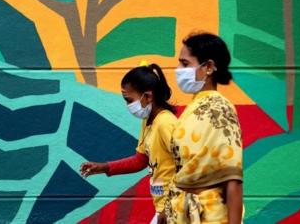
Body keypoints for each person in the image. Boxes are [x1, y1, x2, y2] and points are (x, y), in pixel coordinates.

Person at [80, 63, 178, 224]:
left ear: (148, 96)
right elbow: (140, 160)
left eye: (129, 100)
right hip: (163, 208)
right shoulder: (149, 122)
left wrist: (171, 208)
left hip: (173, 208)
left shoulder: (166, 123)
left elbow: (187, 165)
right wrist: (103, 167)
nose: (128, 106)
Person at [165, 32, 243, 224]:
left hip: (210, 217)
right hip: (181, 214)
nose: (178, 70)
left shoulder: (220, 109)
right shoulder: (193, 108)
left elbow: (232, 176)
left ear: (208, 67)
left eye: (185, 64)